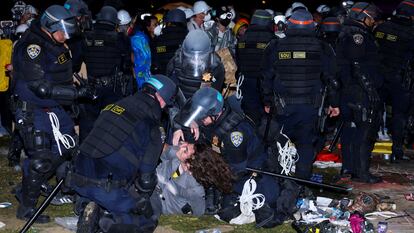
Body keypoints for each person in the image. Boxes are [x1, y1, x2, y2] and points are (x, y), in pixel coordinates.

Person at [70, 75, 178, 233]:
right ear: (162, 100)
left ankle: (85, 205)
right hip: (107, 189)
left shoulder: (113, 106)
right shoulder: (152, 125)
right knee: (147, 218)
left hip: (77, 178)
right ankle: (103, 220)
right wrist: (142, 201)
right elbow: (146, 180)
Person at [11, 5, 87, 223]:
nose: (66, 36)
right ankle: (26, 209)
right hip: (33, 106)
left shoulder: (55, 42)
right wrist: (74, 93)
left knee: (69, 146)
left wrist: (77, 89)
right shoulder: (32, 46)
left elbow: (59, 73)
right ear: (48, 26)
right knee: (42, 159)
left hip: (53, 106)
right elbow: (40, 87)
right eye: (62, 31)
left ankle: (26, 186)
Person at [175, 88, 283, 228]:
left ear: (214, 114)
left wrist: (209, 173)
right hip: (229, 161)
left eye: (201, 118)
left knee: (227, 210)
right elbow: (182, 116)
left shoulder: (234, 135)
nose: (200, 121)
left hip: (248, 172)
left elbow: (234, 172)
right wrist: (187, 124)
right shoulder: (214, 116)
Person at [261, 9, 340, 180]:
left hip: (282, 108)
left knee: (280, 143)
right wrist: (334, 104)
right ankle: (300, 183)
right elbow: (331, 79)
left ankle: (279, 181)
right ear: (312, 26)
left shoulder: (275, 46)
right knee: (305, 145)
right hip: (310, 108)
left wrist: (267, 101)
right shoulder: (322, 47)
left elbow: (266, 77)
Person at [336, 2, 383, 183]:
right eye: (371, 18)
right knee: (365, 131)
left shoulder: (347, 32)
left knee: (350, 130)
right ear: (363, 18)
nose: (373, 22)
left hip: (349, 90)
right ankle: (361, 172)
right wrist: (369, 89)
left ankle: (349, 168)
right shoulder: (358, 36)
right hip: (359, 91)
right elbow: (356, 65)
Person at [80, 5, 133, 142]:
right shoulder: (120, 38)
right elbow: (126, 65)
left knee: (88, 126)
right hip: (112, 90)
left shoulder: (86, 37)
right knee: (111, 126)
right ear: (115, 22)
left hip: (90, 88)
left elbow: (77, 62)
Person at [374, 0, 414, 162]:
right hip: (400, 79)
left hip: (378, 77)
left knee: (376, 111)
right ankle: (397, 150)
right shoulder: (411, 32)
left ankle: (369, 145)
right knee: (399, 114)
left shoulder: (381, 27)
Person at [151, 143, 233, 218]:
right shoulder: (178, 153)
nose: (182, 146)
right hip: (149, 182)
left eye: (185, 150)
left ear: (189, 165)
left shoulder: (194, 189)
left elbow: (198, 211)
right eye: (187, 144)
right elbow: (161, 149)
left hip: (159, 204)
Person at [236, 9, 275, 125]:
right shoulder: (273, 40)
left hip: (247, 85)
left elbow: (239, 63)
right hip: (266, 86)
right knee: (267, 122)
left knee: (250, 119)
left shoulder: (242, 39)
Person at [166, 29, 225, 99]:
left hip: (202, 103)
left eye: (200, 58)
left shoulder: (215, 65)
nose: (195, 60)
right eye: (191, 57)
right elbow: (170, 84)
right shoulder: (175, 61)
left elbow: (216, 89)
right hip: (180, 102)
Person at [151, 9, 188, 75]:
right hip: (184, 77)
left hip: (164, 78)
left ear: (168, 22)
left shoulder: (158, 40)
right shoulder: (188, 38)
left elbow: (155, 61)